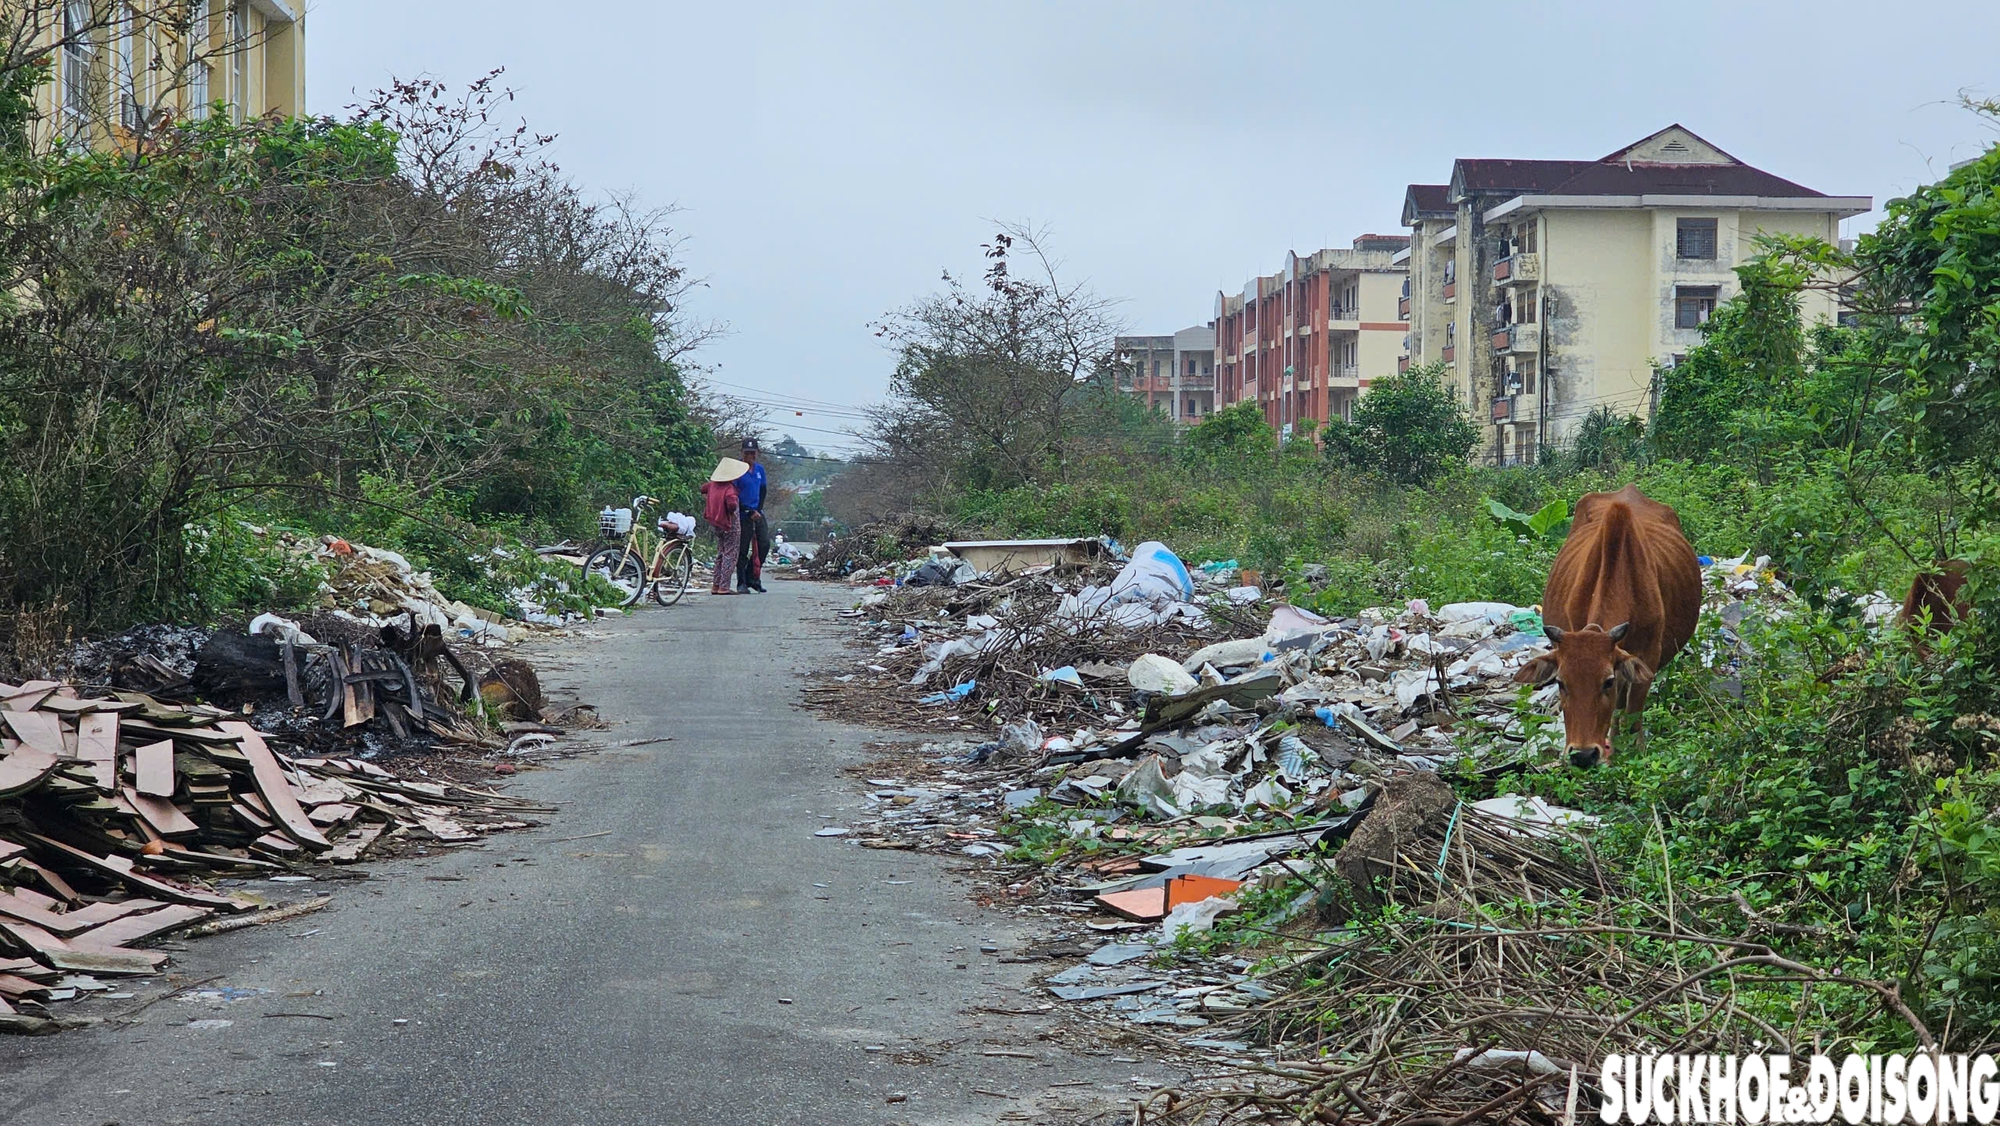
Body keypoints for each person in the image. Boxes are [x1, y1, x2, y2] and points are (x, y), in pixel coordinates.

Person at [702, 458, 748, 595]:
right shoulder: (729, 489)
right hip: (730, 524)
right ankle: (724, 586)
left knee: (720, 553)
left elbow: (702, 489)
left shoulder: (711, 485)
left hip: (715, 523)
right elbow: (732, 505)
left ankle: (715, 585)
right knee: (730, 554)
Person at [734, 438, 772, 593]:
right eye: (747, 452)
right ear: (742, 452)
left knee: (764, 544)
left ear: (757, 453)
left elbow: (763, 490)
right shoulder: (736, 469)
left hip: (757, 512)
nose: (750, 455)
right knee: (742, 549)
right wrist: (747, 511)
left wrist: (759, 510)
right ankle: (741, 582)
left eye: (753, 452)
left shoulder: (759, 470)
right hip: (742, 514)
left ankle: (753, 577)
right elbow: (732, 494)